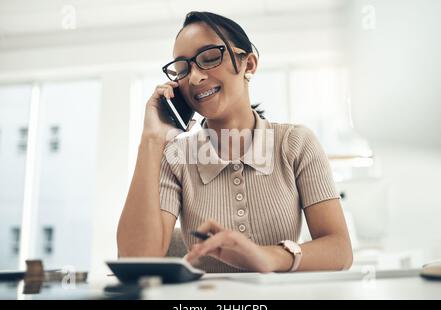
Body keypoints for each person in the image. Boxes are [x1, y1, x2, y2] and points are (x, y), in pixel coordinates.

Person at [117, 11, 353, 273]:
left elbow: (340, 250)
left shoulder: (295, 143)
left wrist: (268, 257)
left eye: (209, 58)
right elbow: (135, 261)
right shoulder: (176, 157)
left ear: (248, 65)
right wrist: (151, 139)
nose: (194, 78)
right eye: (182, 69)